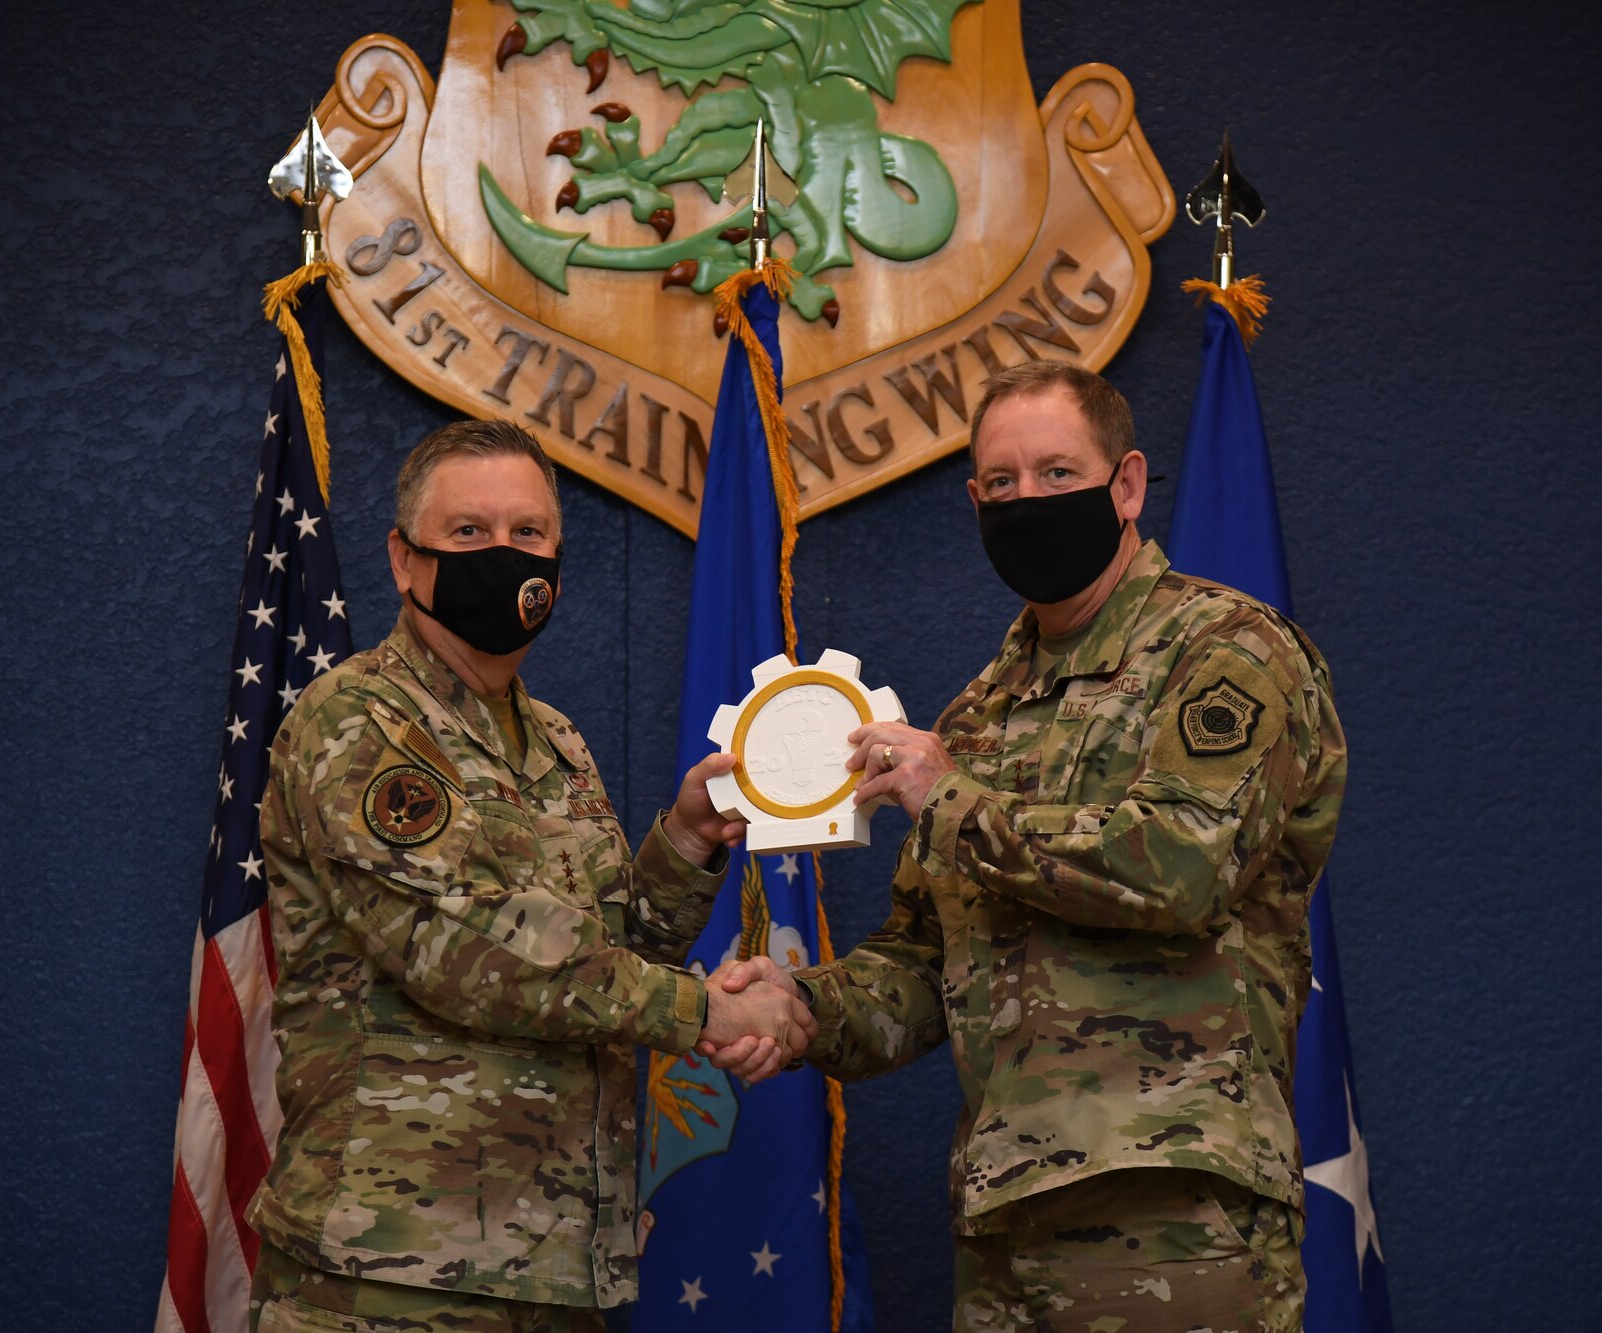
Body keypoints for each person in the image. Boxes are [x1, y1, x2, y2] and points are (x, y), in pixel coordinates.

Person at [704, 362, 1347, 1332]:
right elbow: (925, 969)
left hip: (1169, 1207)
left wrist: (947, 798)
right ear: (972, 501)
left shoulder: (1225, 652)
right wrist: (794, 1009)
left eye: (1056, 473)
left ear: (1124, 486)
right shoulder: (976, 714)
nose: (1026, 502)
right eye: (998, 484)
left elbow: (1176, 869)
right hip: (1001, 1217)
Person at [247, 417, 814, 1332]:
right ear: (403, 558)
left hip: (555, 1269)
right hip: (393, 1275)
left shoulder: (554, 739)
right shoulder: (356, 720)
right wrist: (710, 1011)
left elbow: (605, 958)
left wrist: (684, 841)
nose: (501, 556)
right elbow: (478, 954)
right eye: (469, 533)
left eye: (527, 535)